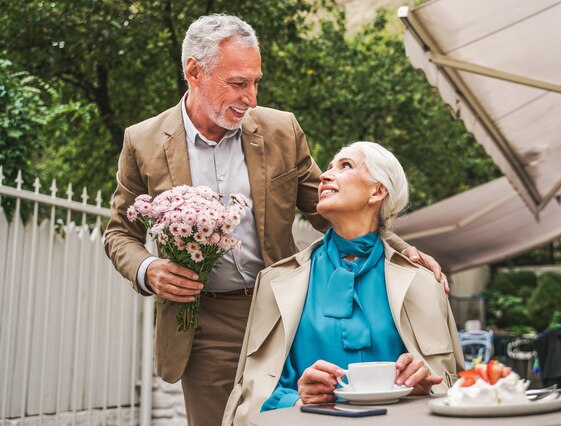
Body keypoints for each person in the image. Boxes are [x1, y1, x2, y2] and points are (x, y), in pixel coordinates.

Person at [103, 14, 445, 426]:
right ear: (194, 71)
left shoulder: (281, 130)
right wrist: (148, 268)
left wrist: (402, 254)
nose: (251, 96)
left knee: (297, 417)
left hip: (286, 312)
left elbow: (332, 208)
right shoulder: (142, 142)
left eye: (255, 81)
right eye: (238, 83)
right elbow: (120, 232)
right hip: (207, 322)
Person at [222, 142, 464, 426]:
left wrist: (425, 386)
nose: (324, 176)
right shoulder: (275, 282)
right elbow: (253, 393)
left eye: (345, 166)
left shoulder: (425, 283)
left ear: (378, 191)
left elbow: (457, 387)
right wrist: (298, 400)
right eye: (328, 168)